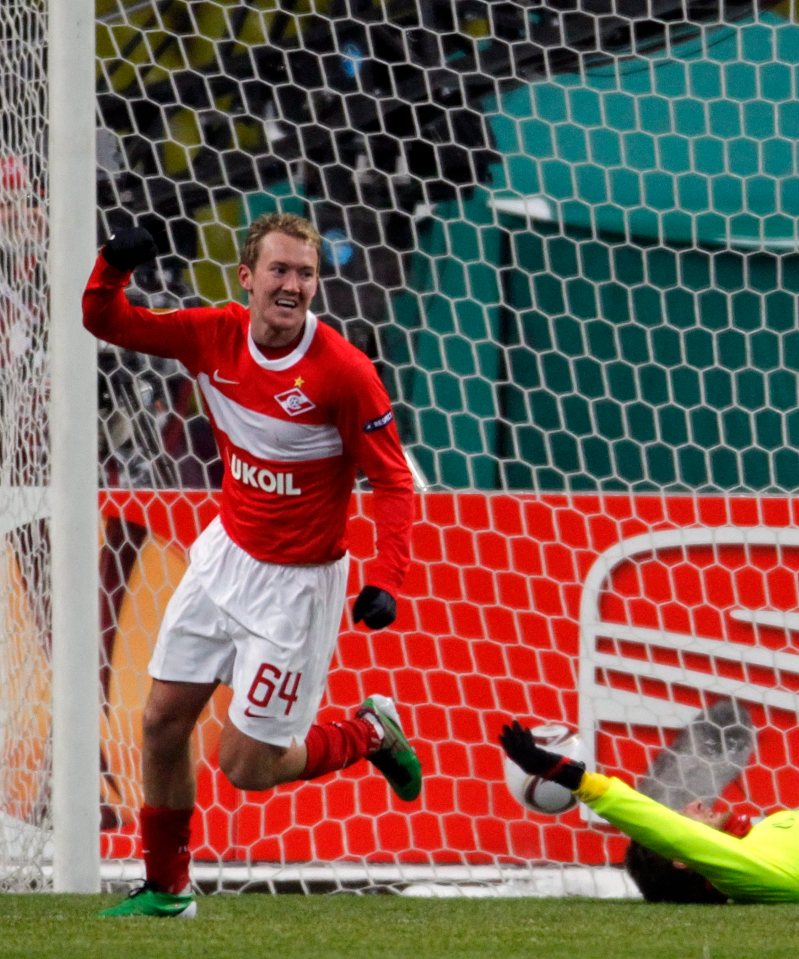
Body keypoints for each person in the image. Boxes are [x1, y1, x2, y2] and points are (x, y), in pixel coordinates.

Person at [83, 212, 421, 918]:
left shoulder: (343, 371)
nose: (291, 285)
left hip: (296, 588)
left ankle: (369, 732)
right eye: (278, 270)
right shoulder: (213, 334)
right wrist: (113, 265)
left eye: (304, 273)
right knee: (161, 722)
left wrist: (386, 577)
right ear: (247, 276)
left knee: (246, 767)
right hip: (222, 556)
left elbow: (392, 480)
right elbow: (106, 321)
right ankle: (167, 888)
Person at [499, 719, 799, 903]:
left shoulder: (765, 833)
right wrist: (566, 775)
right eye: (681, 819)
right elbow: (652, 822)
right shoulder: (749, 875)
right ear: (683, 858)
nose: (693, 804)